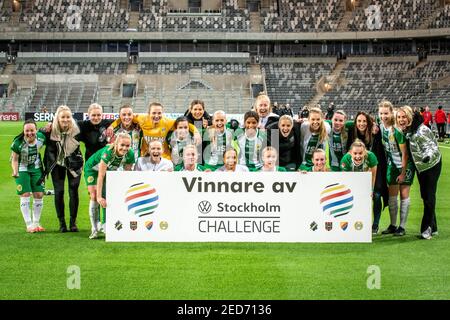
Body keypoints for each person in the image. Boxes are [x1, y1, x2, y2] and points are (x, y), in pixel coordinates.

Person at [397, 107, 442, 239]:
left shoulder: (421, 130)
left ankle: (426, 229)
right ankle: (433, 227)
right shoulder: (409, 130)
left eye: (404, 117)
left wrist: (426, 156)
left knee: (429, 196)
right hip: (421, 166)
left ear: (410, 117)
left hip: (431, 165)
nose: (401, 120)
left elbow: (432, 147)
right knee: (425, 195)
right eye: (399, 117)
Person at [85, 133, 135, 239]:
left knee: (109, 196)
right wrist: (99, 197)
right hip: (93, 169)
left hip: (110, 170)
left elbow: (127, 174)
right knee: (94, 196)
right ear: (116, 143)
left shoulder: (130, 154)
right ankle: (94, 228)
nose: (125, 148)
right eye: (122, 145)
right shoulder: (108, 152)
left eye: (127, 146)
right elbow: (101, 175)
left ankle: (105, 224)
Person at [109, 102, 201, 160]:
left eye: (159, 113)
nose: (156, 115)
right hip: (145, 156)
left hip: (164, 157)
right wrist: (111, 127)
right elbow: (124, 117)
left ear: (162, 113)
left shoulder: (167, 122)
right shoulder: (141, 119)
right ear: (149, 113)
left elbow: (185, 124)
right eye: (154, 113)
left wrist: (196, 132)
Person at [42, 105, 83, 233]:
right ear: (57, 118)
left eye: (68, 117)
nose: (66, 120)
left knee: (73, 191)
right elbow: (33, 136)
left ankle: (73, 222)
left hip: (74, 163)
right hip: (57, 164)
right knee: (59, 192)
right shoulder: (49, 130)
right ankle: (62, 223)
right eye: (62, 117)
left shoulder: (78, 129)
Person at [347, 111, 388, 235]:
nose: (361, 123)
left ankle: (375, 224)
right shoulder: (352, 132)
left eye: (364, 121)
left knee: (375, 195)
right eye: (359, 121)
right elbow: (337, 122)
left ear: (368, 122)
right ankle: (357, 223)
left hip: (375, 168)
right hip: (357, 171)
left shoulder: (375, 132)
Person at [378, 101, 413, 236]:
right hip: (392, 165)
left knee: (404, 196)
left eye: (386, 113)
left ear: (391, 113)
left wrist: (403, 173)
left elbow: (405, 153)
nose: (383, 116)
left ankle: (402, 227)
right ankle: (393, 225)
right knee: (392, 197)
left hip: (404, 166)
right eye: (381, 113)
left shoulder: (396, 129)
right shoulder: (381, 126)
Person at [10, 120, 46, 233]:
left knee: (39, 194)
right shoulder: (18, 142)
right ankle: (29, 224)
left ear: (36, 130)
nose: (29, 133)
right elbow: (14, 159)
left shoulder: (41, 138)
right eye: (27, 130)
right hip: (22, 169)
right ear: (23, 131)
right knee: (25, 194)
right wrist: (15, 171)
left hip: (36, 168)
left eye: (32, 130)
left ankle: (36, 223)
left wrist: (49, 126)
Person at [299, 107, 330, 171]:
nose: (315, 122)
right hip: (305, 164)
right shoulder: (304, 127)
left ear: (322, 119)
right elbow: (301, 143)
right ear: (308, 119)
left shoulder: (327, 128)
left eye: (318, 119)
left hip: (320, 164)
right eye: (313, 119)